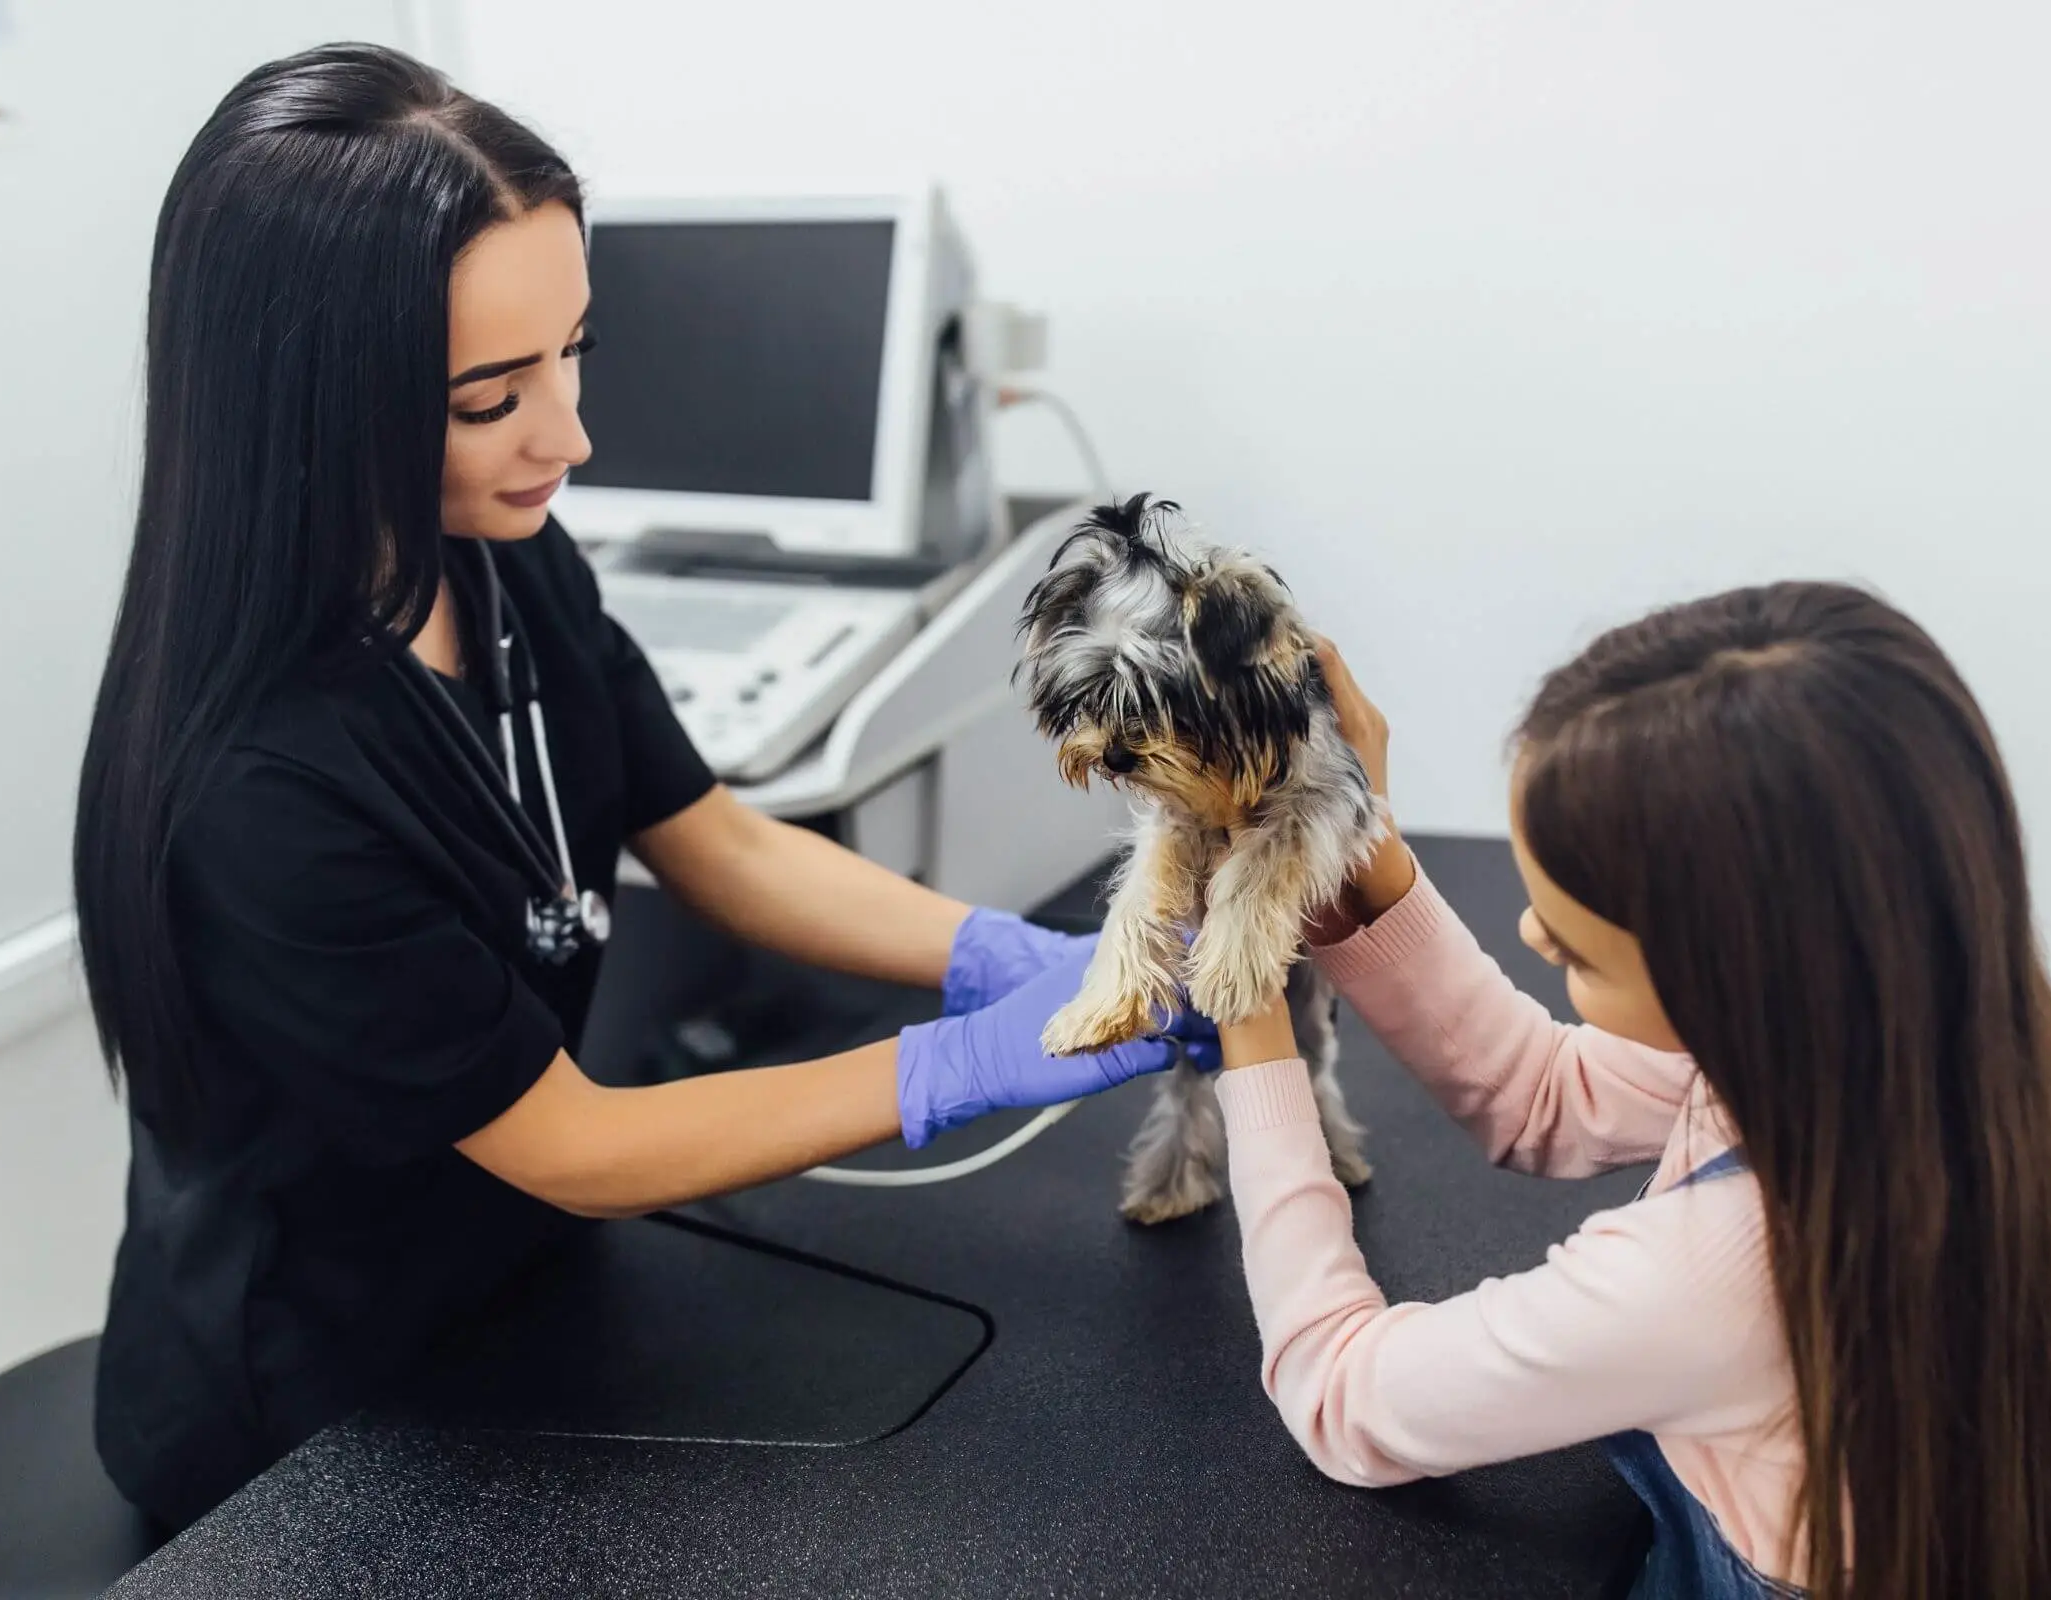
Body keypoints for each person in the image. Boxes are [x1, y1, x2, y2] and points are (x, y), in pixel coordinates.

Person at [71, 43, 1206, 1533]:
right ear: (314, 403)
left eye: (574, 351)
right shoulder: (260, 789)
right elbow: (579, 1145)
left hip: (522, 1290)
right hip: (311, 1422)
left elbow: (723, 842)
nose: (571, 434)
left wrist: (1008, 956)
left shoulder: (502, 560)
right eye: (494, 396)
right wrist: (960, 1064)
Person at [1208, 590, 2051, 1598]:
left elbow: (1341, 1395)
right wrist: (1364, 856)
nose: (1532, 934)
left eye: (1578, 952)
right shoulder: (1928, 1037)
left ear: (1727, 976)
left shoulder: (1707, 1277)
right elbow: (1543, 1097)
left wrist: (1249, 1020)